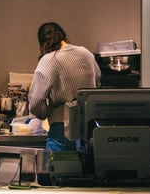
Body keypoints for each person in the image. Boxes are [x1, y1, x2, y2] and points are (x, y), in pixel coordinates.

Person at [28, 22, 101, 152]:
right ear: (63, 35)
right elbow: (98, 82)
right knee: (87, 165)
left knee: (60, 165)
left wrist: (46, 112)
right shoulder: (86, 54)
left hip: (62, 129)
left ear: (42, 43)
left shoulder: (48, 60)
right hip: (90, 127)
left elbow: (35, 103)